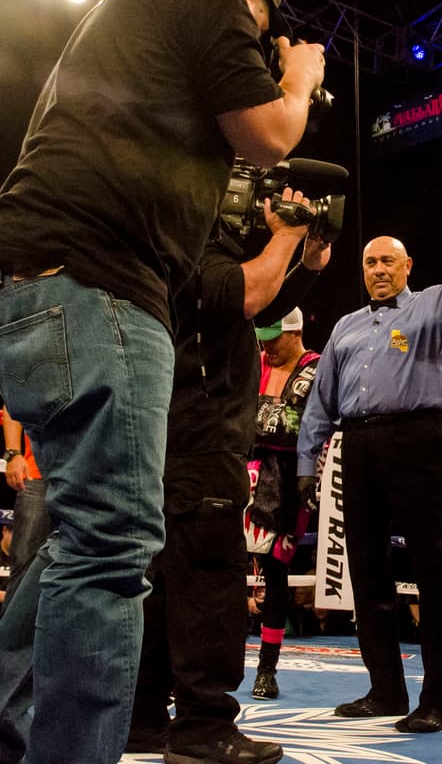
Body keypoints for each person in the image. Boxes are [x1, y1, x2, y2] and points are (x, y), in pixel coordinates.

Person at [0, 0, 326, 764]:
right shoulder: (203, 2)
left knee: (85, 534)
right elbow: (272, 133)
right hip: (92, 283)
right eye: (264, 34)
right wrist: (298, 75)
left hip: (29, 283)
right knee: (113, 544)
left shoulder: (124, 32)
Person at [127, 205, 329, 762]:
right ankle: (203, 729)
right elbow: (247, 296)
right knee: (209, 586)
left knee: (165, 585)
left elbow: (258, 303)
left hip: (173, 441)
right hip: (202, 440)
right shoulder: (196, 252)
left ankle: (144, 717)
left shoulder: (163, 250)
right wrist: (287, 233)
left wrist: (306, 265)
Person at [295, 200, 442, 734]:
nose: (379, 270)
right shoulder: (345, 327)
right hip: (357, 446)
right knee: (366, 571)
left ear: (407, 267)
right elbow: (321, 400)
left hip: (417, 438)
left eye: (388, 261)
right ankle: (385, 689)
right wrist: (305, 461)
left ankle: (438, 701)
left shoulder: (433, 306)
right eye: (370, 263)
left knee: (433, 573)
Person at [249, 307, 322, 699]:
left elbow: (296, 426)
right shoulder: (253, 360)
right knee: (220, 569)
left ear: (294, 333)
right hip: (244, 474)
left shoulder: (317, 368)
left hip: (292, 481)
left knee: (276, 572)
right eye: (262, 338)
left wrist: (261, 424)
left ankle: (267, 668)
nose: (266, 346)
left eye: (273, 338)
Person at [0, 407, 49, 604]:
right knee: (24, 563)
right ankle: (13, 634)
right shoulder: (44, 375)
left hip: (89, 479)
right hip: (38, 475)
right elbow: (12, 400)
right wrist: (13, 453)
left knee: (80, 563)